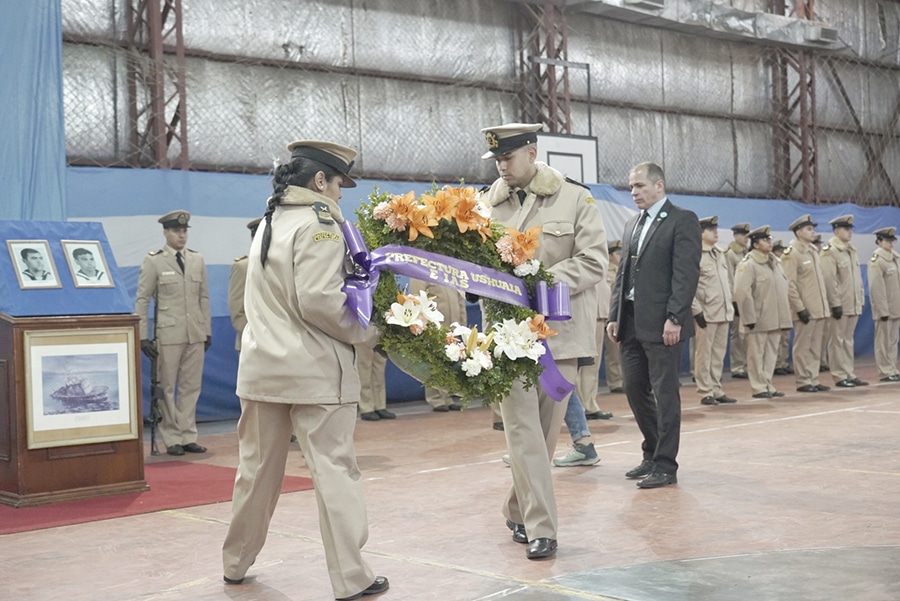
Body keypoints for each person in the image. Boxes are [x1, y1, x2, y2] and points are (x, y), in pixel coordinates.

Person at [221, 140, 388, 600]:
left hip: (261, 370)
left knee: (255, 472)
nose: (340, 196)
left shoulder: (271, 222)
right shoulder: (321, 227)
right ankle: (351, 578)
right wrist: (368, 333)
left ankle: (235, 562)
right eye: (338, 185)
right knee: (335, 472)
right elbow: (319, 301)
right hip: (314, 373)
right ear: (319, 181)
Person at [480, 122, 607, 559]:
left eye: (508, 157)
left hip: (561, 337)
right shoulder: (484, 205)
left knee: (546, 437)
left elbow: (593, 262)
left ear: (531, 153)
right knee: (521, 433)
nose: (501, 165)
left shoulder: (576, 198)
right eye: (496, 159)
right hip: (506, 338)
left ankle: (516, 509)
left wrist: (539, 281)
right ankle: (542, 529)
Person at [606, 162, 701, 489]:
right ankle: (651, 450)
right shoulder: (632, 223)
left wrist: (675, 317)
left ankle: (665, 464)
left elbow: (685, 274)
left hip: (663, 325)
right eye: (631, 187)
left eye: (640, 186)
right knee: (634, 388)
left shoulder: (681, 220)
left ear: (659, 185)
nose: (634, 192)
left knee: (665, 392)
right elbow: (622, 276)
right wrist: (614, 315)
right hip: (631, 322)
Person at [135, 210, 212, 456]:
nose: (181, 235)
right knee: (166, 387)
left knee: (191, 387)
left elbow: (204, 297)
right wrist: (142, 335)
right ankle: (172, 437)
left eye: (184, 231)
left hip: (194, 333)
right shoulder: (154, 260)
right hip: (167, 334)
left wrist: (206, 330)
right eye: (176, 231)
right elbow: (143, 298)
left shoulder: (196, 259)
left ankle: (188, 434)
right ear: (166, 233)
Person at [732, 226, 792, 399]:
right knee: (756, 354)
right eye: (765, 240)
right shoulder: (748, 264)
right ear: (756, 244)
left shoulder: (775, 263)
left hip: (775, 316)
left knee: (771, 353)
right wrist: (748, 317)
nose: (769, 243)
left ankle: (768, 383)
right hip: (759, 317)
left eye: (770, 239)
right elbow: (742, 292)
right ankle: (758, 387)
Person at [780, 214, 830, 393]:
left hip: (818, 307)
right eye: (809, 229)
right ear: (799, 232)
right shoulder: (792, 254)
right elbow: (790, 283)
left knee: (816, 345)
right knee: (803, 345)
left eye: (812, 229)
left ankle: (813, 378)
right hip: (805, 308)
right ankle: (803, 380)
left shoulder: (813, 251)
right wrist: (799, 307)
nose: (813, 232)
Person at [691, 216, 737, 405]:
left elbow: (726, 283)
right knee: (704, 353)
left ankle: (716, 388)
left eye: (716, 228)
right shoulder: (694, 255)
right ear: (701, 233)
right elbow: (688, 286)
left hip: (722, 310)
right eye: (711, 229)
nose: (716, 232)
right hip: (706, 312)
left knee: (718, 353)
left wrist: (731, 305)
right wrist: (696, 310)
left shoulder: (720, 254)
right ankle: (705, 391)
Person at [819, 215, 868, 388]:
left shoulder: (850, 250)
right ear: (836, 231)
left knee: (848, 340)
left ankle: (849, 372)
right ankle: (839, 375)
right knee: (837, 340)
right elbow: (829, 279)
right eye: (846, 229)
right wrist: (835, 303)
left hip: (852, 302)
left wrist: (860, 298)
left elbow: (856, 279)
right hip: (840, 303)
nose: (850, 232)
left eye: (850, 229)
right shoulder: (830, 250)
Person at [407, 278, 465, 412]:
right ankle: (435, 399)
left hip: (452, 326)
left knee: (450, 361)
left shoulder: (447, 271)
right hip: (434, 326)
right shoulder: (420, 271)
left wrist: (461, 322)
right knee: (434, 362)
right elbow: (416, 298)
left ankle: (448, 396)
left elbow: (460, 299)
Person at [867, 227, 900, 382]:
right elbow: (876, 288)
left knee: (893, 341)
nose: (890, 244)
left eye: (892, 240)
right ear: (879, 241)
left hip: (896, 307)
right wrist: (882, 310)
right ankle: (885, 371)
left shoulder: (895, 258)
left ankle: (892, 368)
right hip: (885, 309)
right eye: (887, 240)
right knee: (883, 342)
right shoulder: (877, 260)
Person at [228, 217, 262, 351]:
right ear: (253, 239)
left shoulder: (281, 265)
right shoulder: (243, 267)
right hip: (252, 343)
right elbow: (237, 310)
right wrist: (254, 336)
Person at [724, 223, 751, 379]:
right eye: (742, 235)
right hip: (736, 299)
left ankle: (747, 364)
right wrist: (734, 300)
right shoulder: (731, 254)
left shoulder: (747, 253)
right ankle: (737, 366)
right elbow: (730, 277)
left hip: (747, 298)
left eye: (747, 235)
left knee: (747, 335)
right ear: (735, 236)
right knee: (737, 335)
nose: (746, 238)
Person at [603, 240, 625, 393]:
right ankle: (615, 382)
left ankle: (624, 380)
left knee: (622, 352)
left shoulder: (623, 270)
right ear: (610, 256)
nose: (621, 256)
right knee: (613, 353)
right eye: (617, 253)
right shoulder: (606, 272)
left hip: (624, 317)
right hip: (610, 316)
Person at [771, 240, 794, 376]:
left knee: (784, 337)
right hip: (774, 306)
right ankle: (776, 364)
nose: (781, 254)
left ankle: (782, 362)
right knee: (774, 338)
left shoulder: (781, 265)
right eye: (778, 251)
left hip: (785, 304)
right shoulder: (772, 265)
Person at [356, 343, 395, 421]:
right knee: (364, 367)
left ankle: (380, 405)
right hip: (362, 335)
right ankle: (366, 407)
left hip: (379, 334)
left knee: (379, 367)